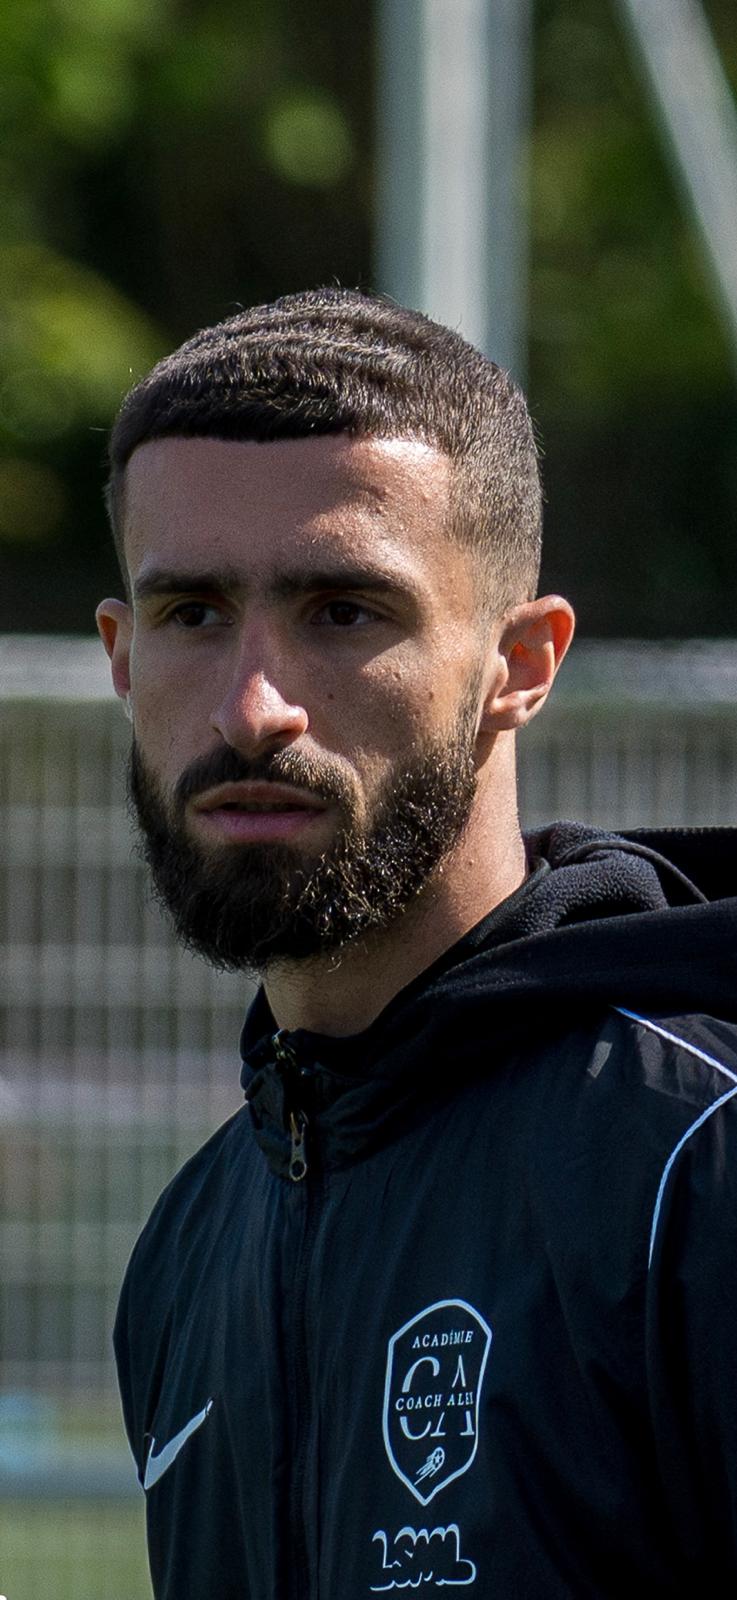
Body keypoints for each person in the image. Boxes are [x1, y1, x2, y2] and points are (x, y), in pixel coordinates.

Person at [97, 288, 737, 1599]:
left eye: (344, 611)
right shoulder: (186, 1247)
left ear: (522, 663)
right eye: (191, 614)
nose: (253, 707)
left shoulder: (697, 1162)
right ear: (120, 656)